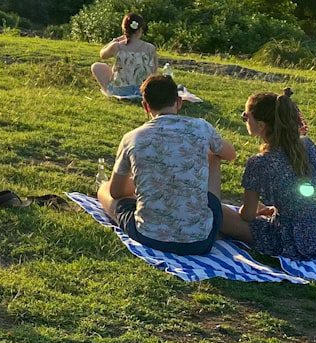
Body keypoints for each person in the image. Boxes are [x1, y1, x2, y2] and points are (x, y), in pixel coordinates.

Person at [97, 74, 245, 254]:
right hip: (201, 241)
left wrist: (145, 183)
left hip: (151, 236)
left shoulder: (132, 138)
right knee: (214, 155)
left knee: (104, 189)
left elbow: (116, 192)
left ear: (145, 106)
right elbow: (229, 154)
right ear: (179, 102)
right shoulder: (201, 127)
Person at [235, 89, 316, 259]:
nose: (244, 120)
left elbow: (247, 215)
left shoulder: (259, 162)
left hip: (286, 239)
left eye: (245, 116)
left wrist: (249, 211)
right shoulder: (308, 145)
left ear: (261, 125)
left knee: (220, 212)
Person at [91, 13, 158, 98]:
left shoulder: (117, 46)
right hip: (143, 90)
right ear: (140, 30)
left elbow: (102, 54)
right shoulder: (150, 48)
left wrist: (116, 40)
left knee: (96, 66)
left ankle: (109, 92)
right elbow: (154, 71)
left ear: (124, 29)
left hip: (120, 91)